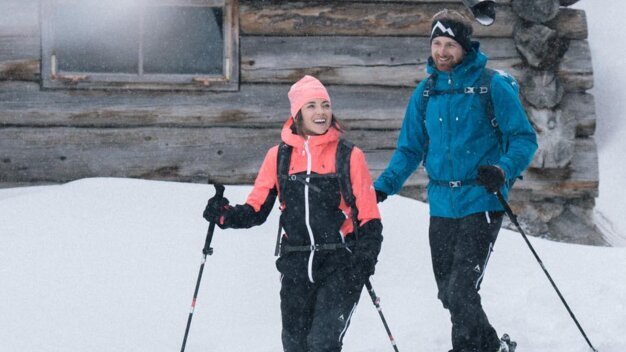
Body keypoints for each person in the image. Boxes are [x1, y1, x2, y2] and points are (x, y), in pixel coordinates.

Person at [374, 9, 537, 352]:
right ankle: (490, 347)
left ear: (465, 47)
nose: (442, 52)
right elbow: (409, 150)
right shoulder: (426, 93)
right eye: (437, 43)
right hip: (442, 204)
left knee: (462, 289)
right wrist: (382, 187)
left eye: (450, 44)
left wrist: (502, 169)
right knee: (448, 292)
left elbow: (524, 138)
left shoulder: (491, 85)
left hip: (483, 200)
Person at [203, 75, 383, 352]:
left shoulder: (348, 155)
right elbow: (256, 209)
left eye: (325, 104)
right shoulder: (279, 157)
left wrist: (363, 261)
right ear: (297, 112)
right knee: (295, 345)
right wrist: (225, 215)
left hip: (339, 264)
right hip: (295, 264)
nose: (321, 112)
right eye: (311, 105)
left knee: (322, 344)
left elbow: (369, 217)